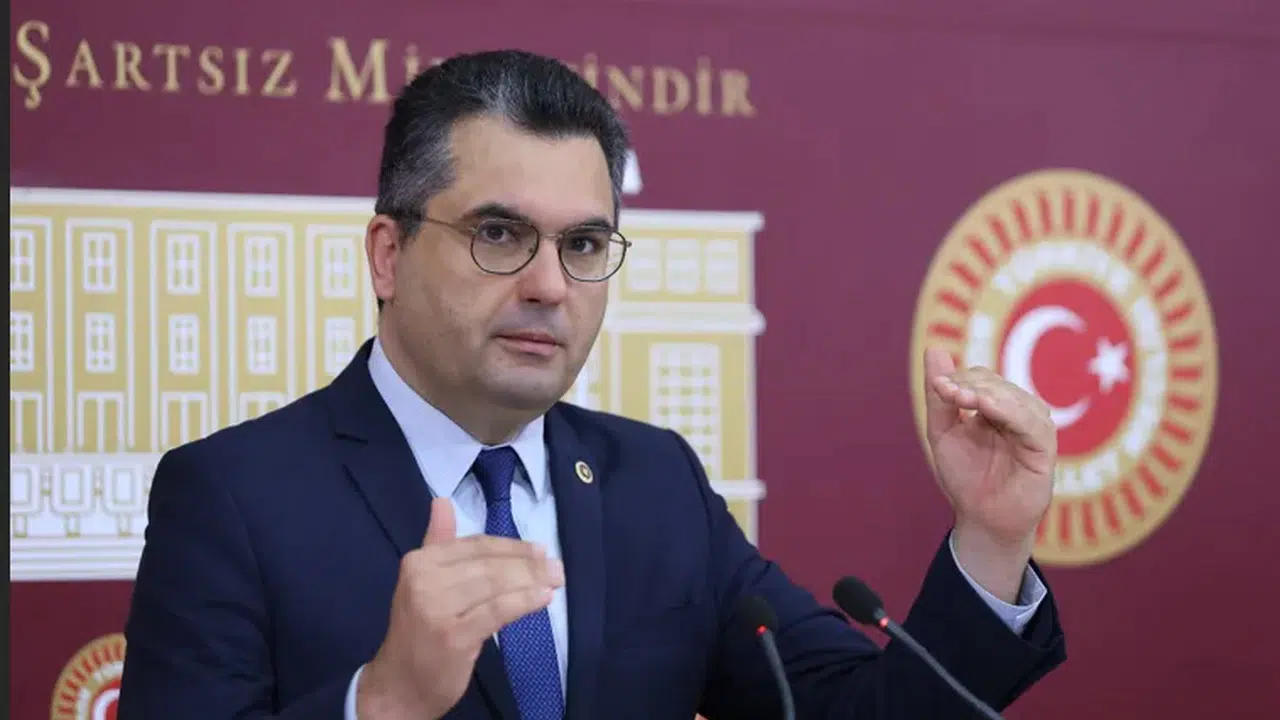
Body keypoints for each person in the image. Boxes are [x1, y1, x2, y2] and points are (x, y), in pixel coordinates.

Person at [118, 49, 1066, 719]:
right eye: (499, 234)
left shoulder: (654, 483)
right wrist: (384, 703)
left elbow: (859, 712)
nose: (548, 285)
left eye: (582, 244)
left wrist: (991, 541)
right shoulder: (233, 496)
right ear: (387, 255)